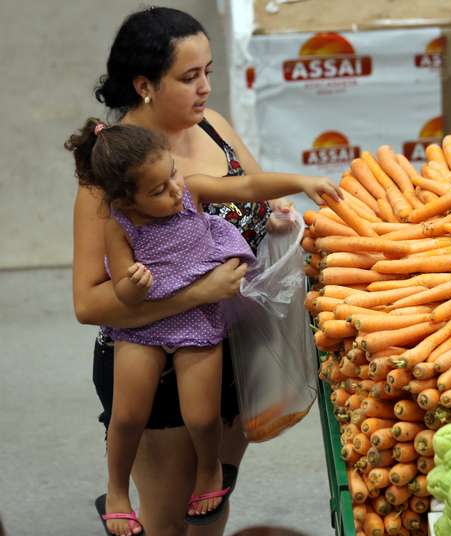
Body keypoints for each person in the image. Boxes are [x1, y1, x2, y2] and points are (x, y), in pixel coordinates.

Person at [72, 6, 308, 536]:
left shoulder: (213, 127)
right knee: (168, 519)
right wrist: (199, 292)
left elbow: (250, 191)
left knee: (215, 489)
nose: (205, 89)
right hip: (153, 361)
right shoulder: (107, 176)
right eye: (188, 77)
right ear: (144, 85)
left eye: (208, 72)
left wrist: (272, 217)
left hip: (229, 348)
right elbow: (89, 304)